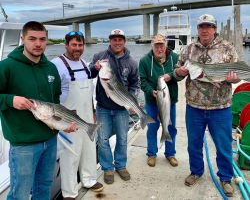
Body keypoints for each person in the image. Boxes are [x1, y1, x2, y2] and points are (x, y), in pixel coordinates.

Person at [174, 14, 240, 197]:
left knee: (224, 145)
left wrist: (237, 77)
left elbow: (239, 73)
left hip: (221, 107)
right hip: (194, 107)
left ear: (214, 28)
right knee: (194, 144)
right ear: (198, 29)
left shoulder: (227, 48)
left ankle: (226, 177)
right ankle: (196, 171)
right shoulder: (188, 50)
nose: (205, 30)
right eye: (202, 26)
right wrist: (179, 72)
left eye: (209, 26)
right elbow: (178, 72)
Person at [0, 21, 67, 200]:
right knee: (20, 193)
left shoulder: (51, 68)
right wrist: (10, 100)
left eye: (42, 39)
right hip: (23, 143)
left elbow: (56, 100)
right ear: (23, 39)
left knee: (44, 188)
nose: (38, 44)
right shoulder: (6, 67)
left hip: (50, 139)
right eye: (32, 39)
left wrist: (60, 124)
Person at [51, 31, 104, 199]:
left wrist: (93, 112)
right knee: (69, 155)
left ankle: (89, 179)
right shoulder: (56, 64)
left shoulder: (84, 64)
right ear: (66, 45)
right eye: (73, 44)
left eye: (80, 45)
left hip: (87, 114)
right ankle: (69, 192)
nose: (77, 48)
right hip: (67, 117)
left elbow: (89, 92)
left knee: (88, 150)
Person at [90, 29, 140, 184]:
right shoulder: (100, 56)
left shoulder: (131, 62)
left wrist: (131, 101)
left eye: (120, 39)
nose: (117, 42)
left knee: (123, 139)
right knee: (102, 139)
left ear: (124, 41)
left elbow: (135, 84)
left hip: (121, 109)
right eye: (114, 39)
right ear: (109, 41)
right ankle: (107, 168)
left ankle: (120, 166)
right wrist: (95, 68)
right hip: (103, 107)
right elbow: (90, 73)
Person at [139, 34, 179, 168]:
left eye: (161, 45)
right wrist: (151, 91)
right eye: (156, 45)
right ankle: (151, 154)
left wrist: (171, 75)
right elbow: (142, 81)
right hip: (152, 102)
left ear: (165, 45)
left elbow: (181, 73)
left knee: (171, 127)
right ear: (152, 46)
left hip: (169, 101)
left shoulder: (175, 58)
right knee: (152, 128)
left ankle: (170, 154)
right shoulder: (145, 61)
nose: (159, 48)